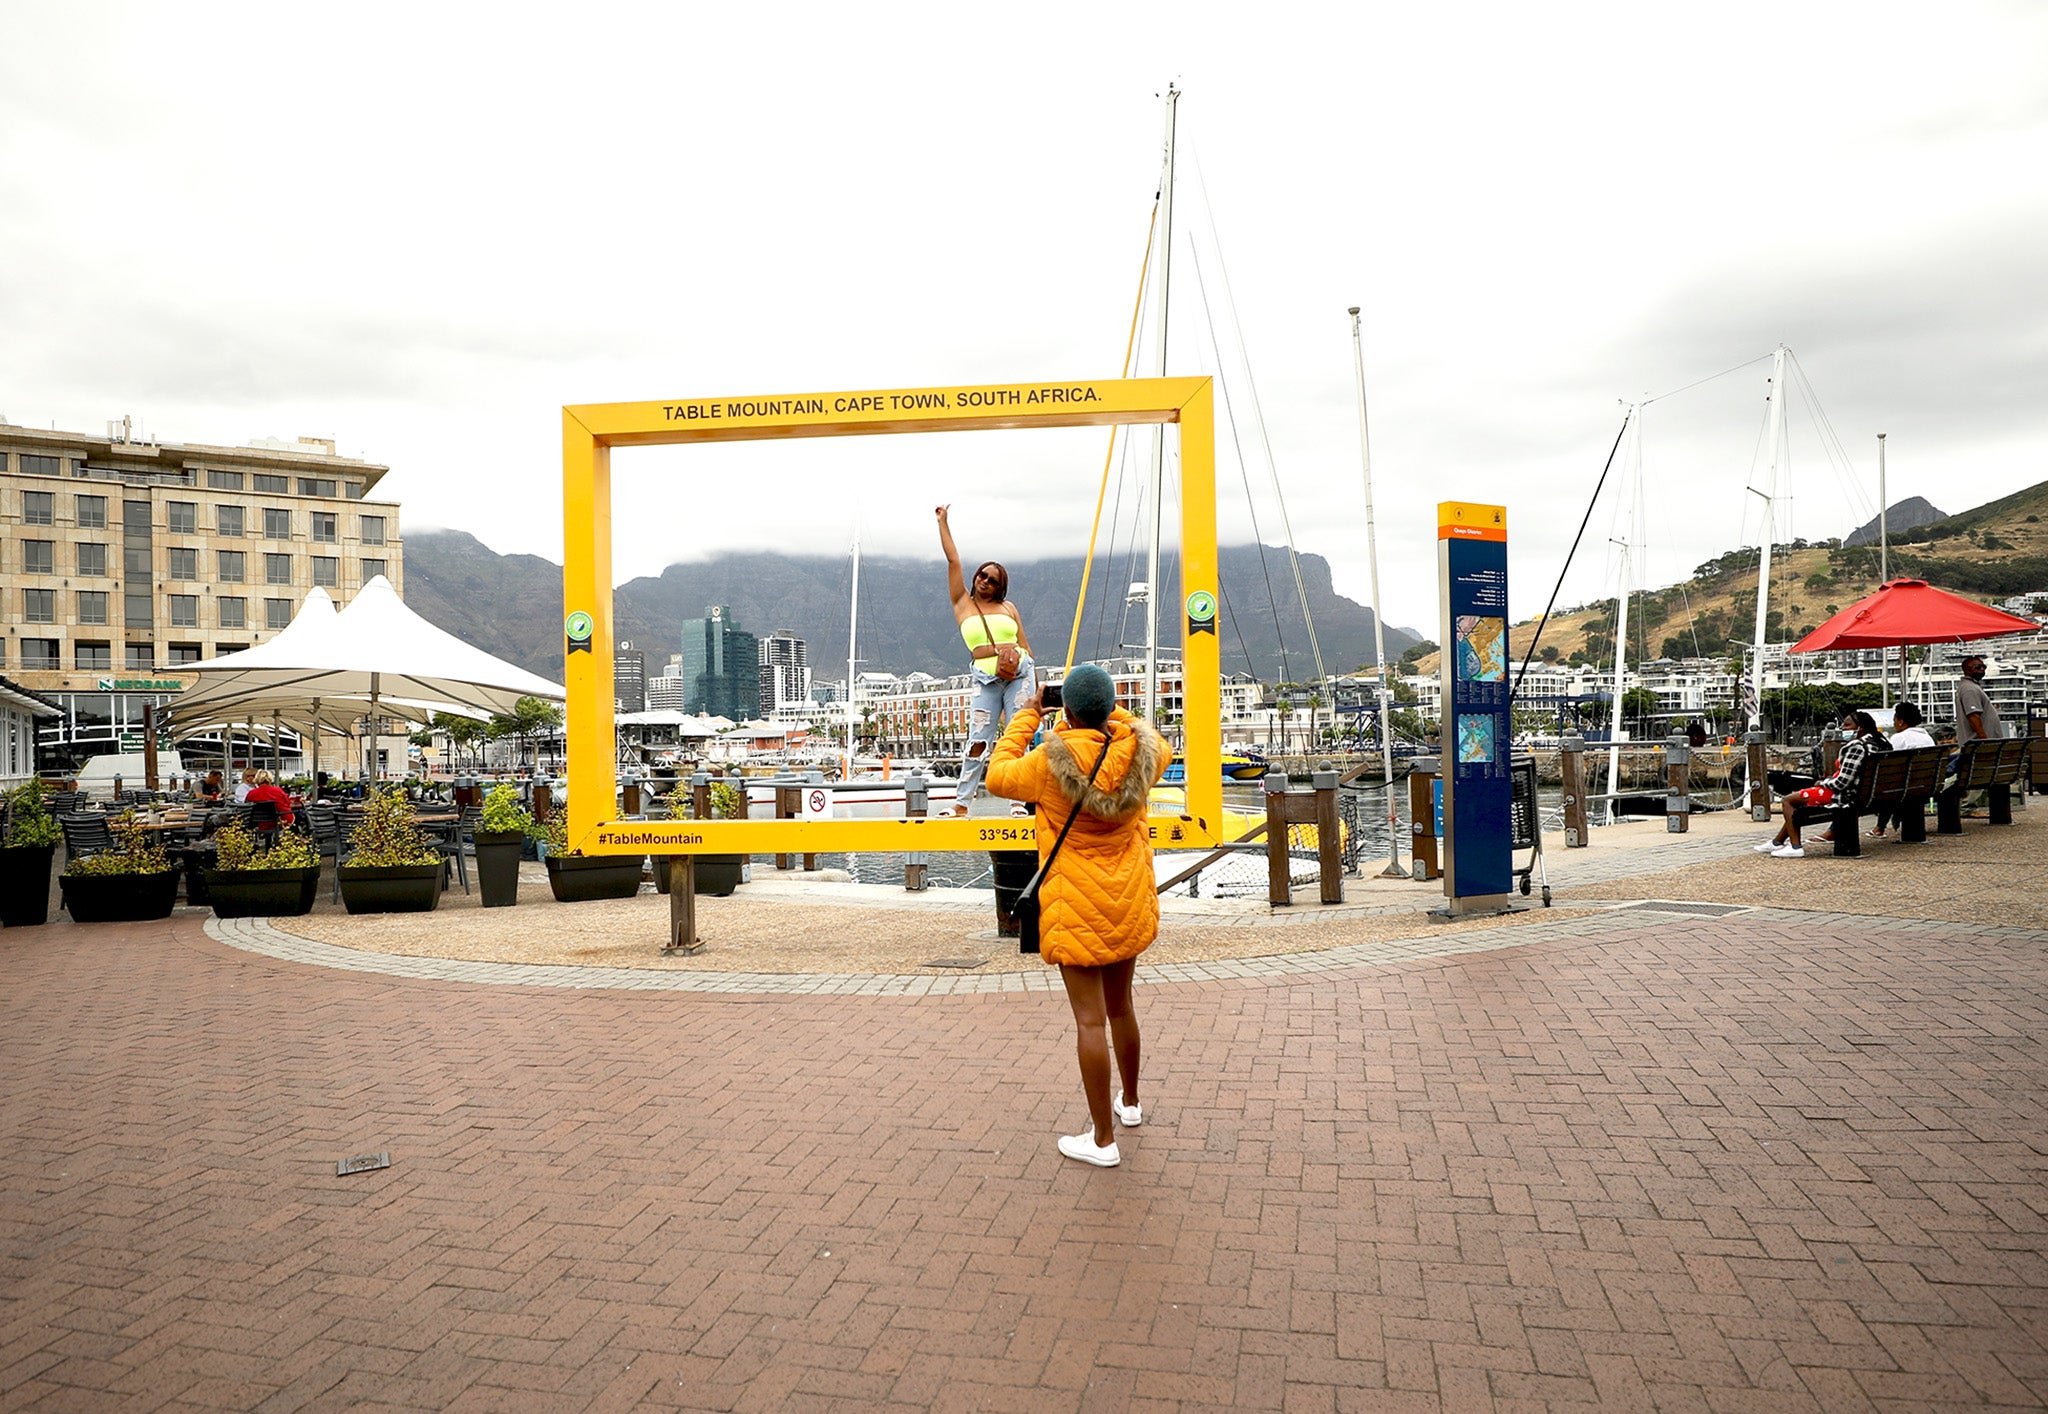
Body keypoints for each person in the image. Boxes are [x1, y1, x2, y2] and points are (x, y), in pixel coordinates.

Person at [985, 664, 1170, 1168]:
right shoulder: (1143, 755)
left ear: (1064, 709)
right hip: (1127, 898)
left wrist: (1027, 716)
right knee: (1121, 1009)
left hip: (1075, 902)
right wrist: (1104, 710)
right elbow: (1145, 733)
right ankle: (1129, 1105)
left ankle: (1102, 1141)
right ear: (1109, 708)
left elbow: (997, 774)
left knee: (1089, 1022)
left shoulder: (1048, 762)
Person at [936, 504, 1036, 816]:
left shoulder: (1009, 608)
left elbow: (1025, 646)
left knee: (1018, 736)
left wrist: (1036, 682)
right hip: (985, 678)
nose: (984, 580)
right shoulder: (962, 603)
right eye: (982, 574)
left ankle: (1018, 802)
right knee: (978, 740)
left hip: (1020, 674)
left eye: (992, 579)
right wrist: (943, 522)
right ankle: (961, 804)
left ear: (1000, 586)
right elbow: (954, 560)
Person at [1757, 710, 1884, 858]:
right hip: (1867, 794)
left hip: (1845, 796)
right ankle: (1777, 842)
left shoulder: (1857, 746)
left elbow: (1842, 782)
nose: (1843, 729)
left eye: (1847, 726)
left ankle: (1795, 846)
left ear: (1860, 727)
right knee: (1798, 801)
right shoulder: (1878, 743)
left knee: (1788, 800)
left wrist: (1823, 783)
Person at [1868, 700, 1936, 840]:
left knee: (1890, 785)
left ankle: (1880, 827)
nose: (1893, 723)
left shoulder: (1899, 738)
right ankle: (1880, 828)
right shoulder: (1927, 737)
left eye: (1894, 719)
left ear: (1901, 721)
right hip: (1926, 784)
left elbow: (1888, 765)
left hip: (1905, 787)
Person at [1951, 654, 2006, 815]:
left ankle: (1968, 805)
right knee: (1978, 773)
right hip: (1978, 742)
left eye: (1983, 667)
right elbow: (1973, 716)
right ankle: (1967, 806)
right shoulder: (1969, 689)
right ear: (1966, 669)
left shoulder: (1972, 687)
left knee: (1979, 773)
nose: (1982, 669)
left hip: (1979, 742)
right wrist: (1984, 739)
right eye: (1977, 667)